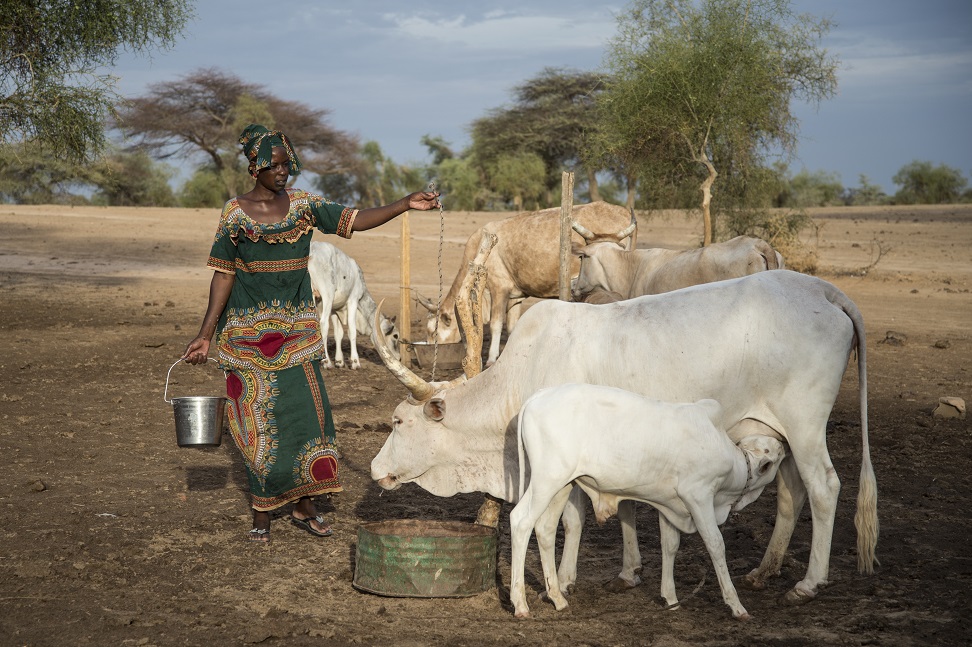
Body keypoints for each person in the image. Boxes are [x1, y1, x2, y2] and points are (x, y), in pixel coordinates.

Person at [182, 124, 440, 542]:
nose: (284, 173)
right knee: (257, 428)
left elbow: (353, 220)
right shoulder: (234, 214)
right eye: (276, 166)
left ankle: (305, 505)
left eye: (288, 165)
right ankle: (262, 513)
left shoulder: (304, 206)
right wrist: (205, 333)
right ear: (255, 168)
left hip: (298, 337)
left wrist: (404, 204)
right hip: (247, 342)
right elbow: (223, 275)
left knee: (309, 423)